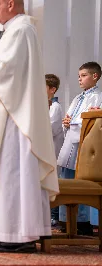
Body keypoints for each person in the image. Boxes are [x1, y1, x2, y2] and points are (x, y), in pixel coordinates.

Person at [0, 0, 59, 253]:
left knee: (12, 173)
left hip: (15, 122)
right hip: (10, 117)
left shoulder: (21, 30)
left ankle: (20, 234)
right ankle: (3, 231)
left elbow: (2, 72)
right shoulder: (15, 31)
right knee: (5, 173)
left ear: (11, 3)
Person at [57, 61, 102, 235]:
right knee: (67, 179)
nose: (80, 79)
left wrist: (74, 122)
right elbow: (70, 118)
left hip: (85, 146)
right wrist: (67, 122)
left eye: (83, 76)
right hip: (70, 143)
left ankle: (84, 223)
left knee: (82, 181)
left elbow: (93, 120)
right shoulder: (78, 98)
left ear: (95, 76)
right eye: (79, 76)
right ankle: (65, 220)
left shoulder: (98, 96)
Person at [45, 74, 64, 228]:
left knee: (53, 179)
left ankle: (54, 216)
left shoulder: (55, 107)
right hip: (46, 148)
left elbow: (50, 129)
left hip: (53, 149)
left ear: (52, 89)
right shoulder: (42, 104)